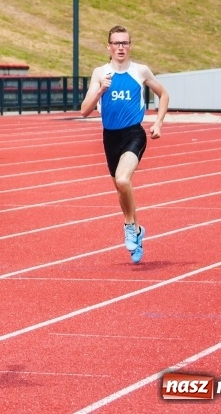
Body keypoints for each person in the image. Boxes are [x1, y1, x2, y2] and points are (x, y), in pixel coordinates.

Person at [80, 25, 170, 264]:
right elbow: (84, 110)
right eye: (116, 43)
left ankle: (130, 226)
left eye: (125, 43)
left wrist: (158, 122)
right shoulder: (100, 73)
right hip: (110, 137)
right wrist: (100, 91)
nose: (121, 47)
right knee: (121, 188)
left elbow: (164, 94)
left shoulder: (140, 71)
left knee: (122, 179)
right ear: (108, 46)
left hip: (134, 133)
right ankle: (138, 230)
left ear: (130, 46)